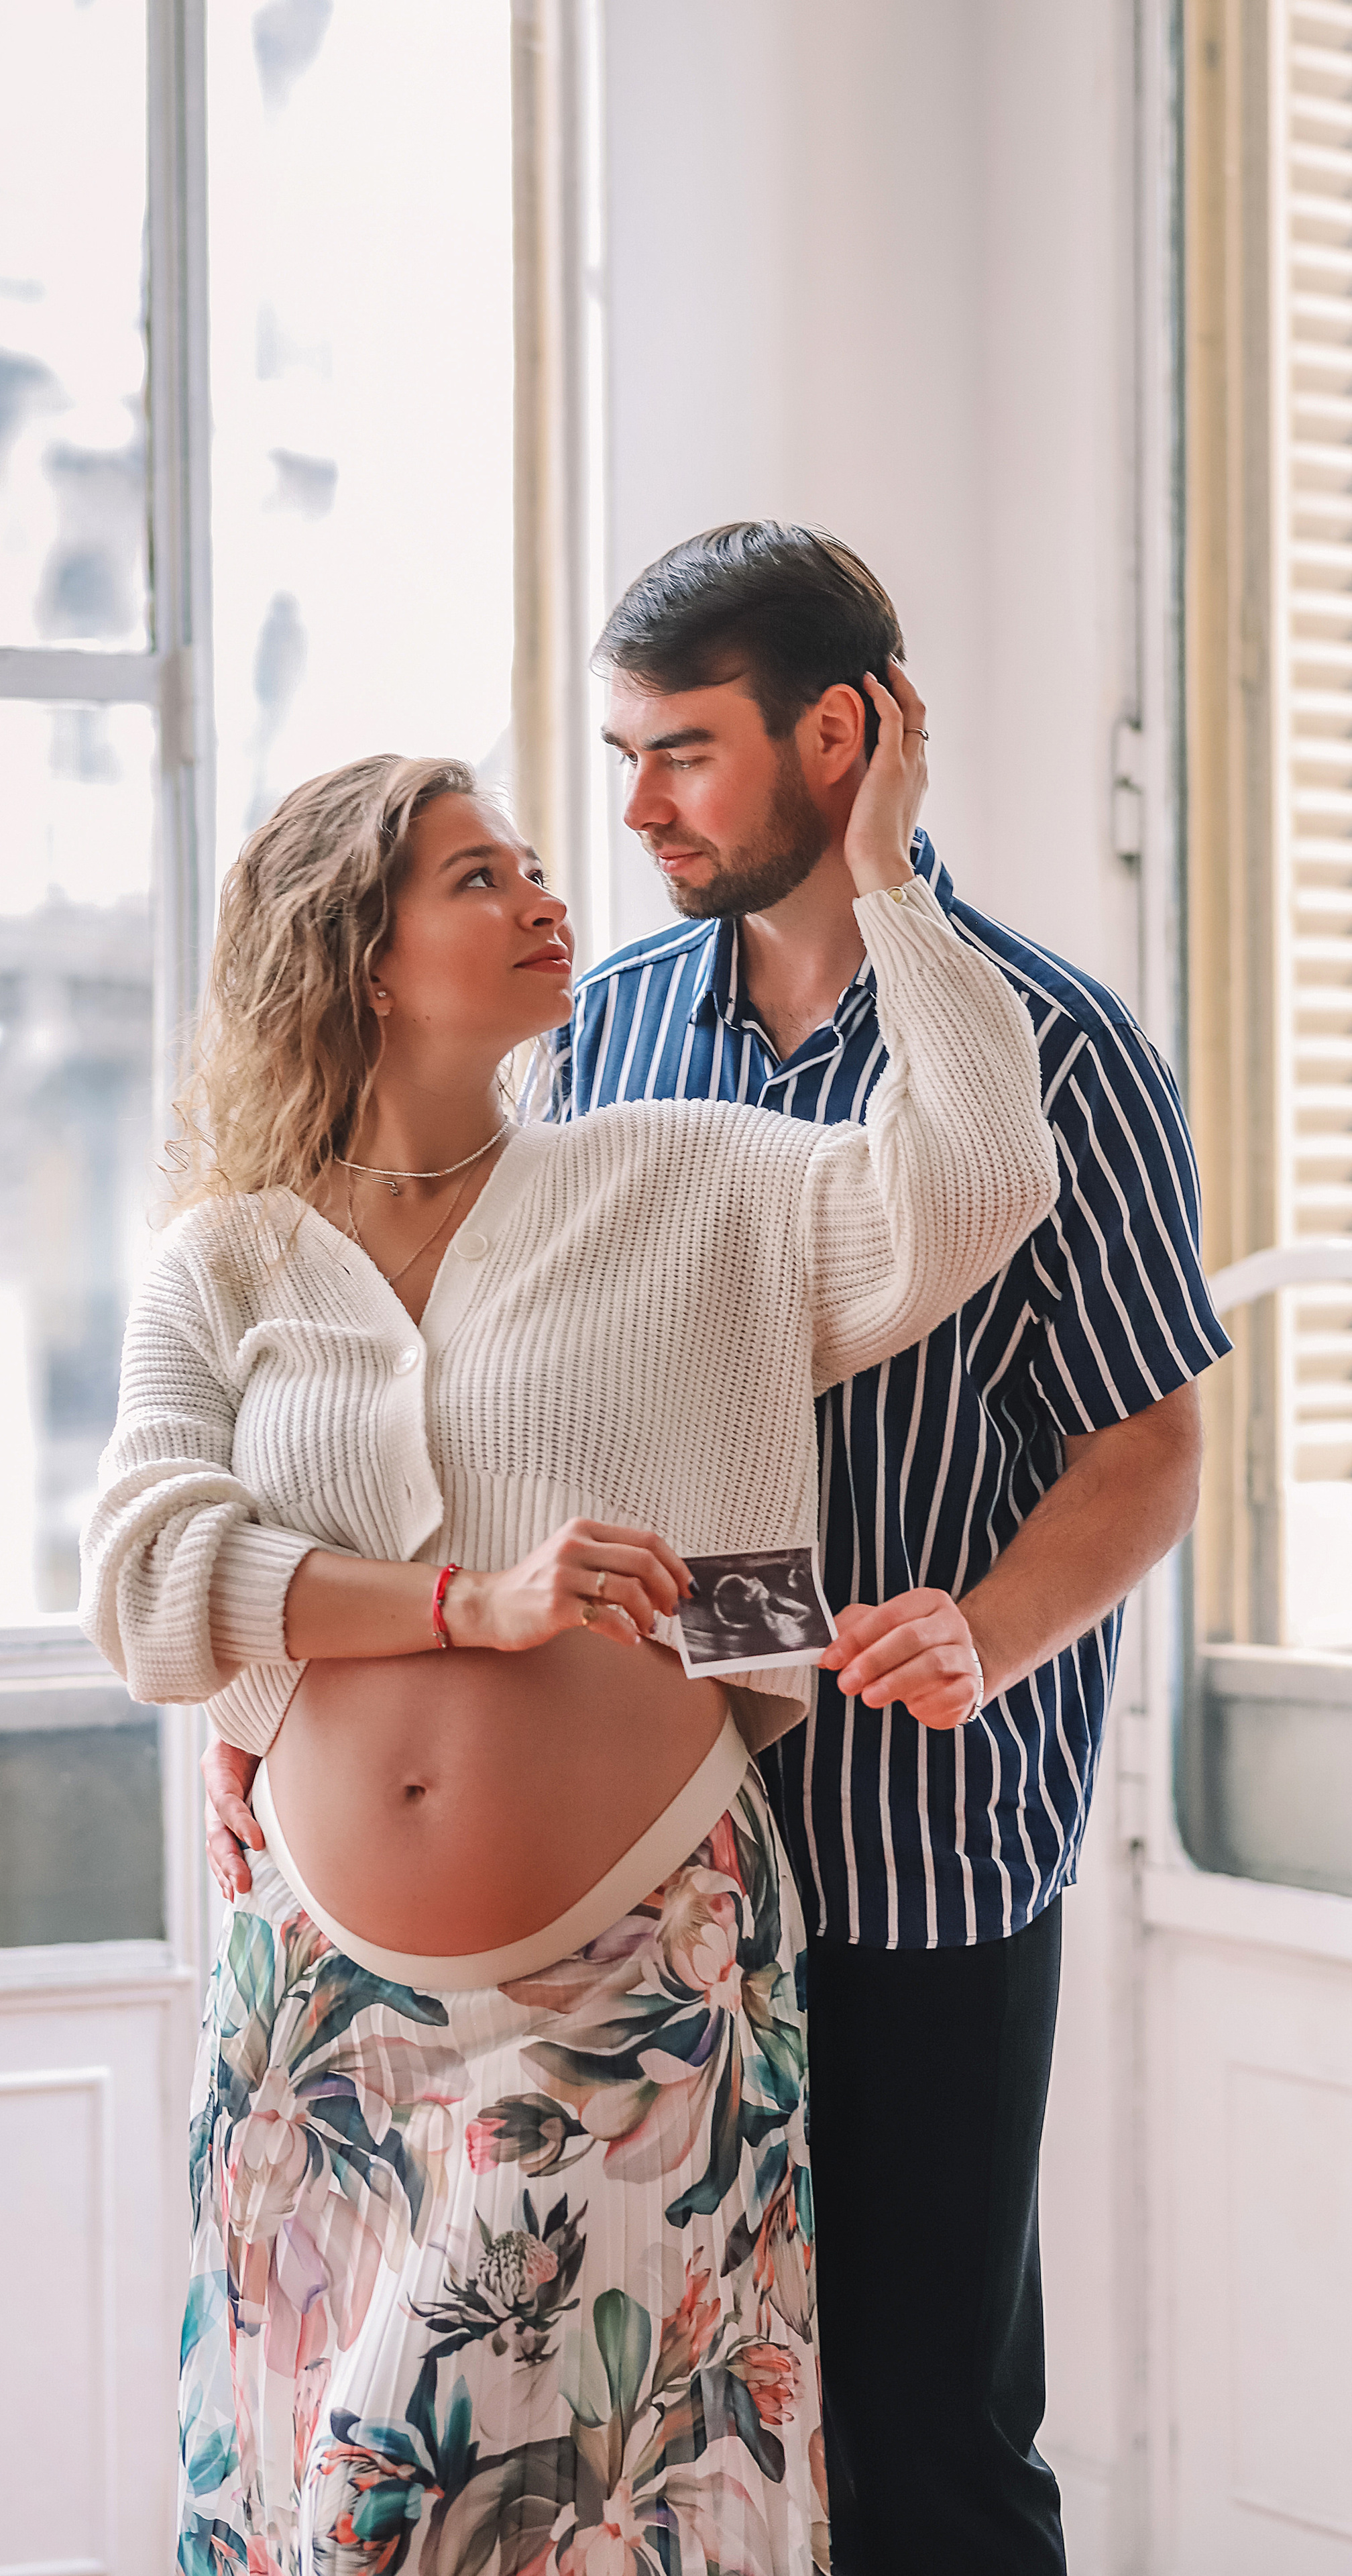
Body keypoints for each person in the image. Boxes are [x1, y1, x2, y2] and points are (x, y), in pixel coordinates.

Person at [205, 525, 1232, 2576]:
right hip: (652, 1878)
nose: (636, 807)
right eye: (620, 753)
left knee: (924, 2437)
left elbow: (1154, 1446)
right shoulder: (608, 1030)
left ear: (837, 737)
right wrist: (280, 1700)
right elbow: (483, 1431)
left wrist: (989, 1628)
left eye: (681, 752)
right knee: (674, 2449)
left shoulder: (1059, 1052)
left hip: (927, 1837)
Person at [84, 677, 1058, 2576]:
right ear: (360, 954)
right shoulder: (227, 1259)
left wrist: (890, 880)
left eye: (539, 864)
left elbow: (975, 1187)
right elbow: (142, 1578)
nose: (548, 894)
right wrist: (466, 1603)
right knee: (309, 2489)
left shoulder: (679, 1180)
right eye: (479, 874)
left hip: (637, 1984)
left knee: (433, 2487)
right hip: (321, 2004)